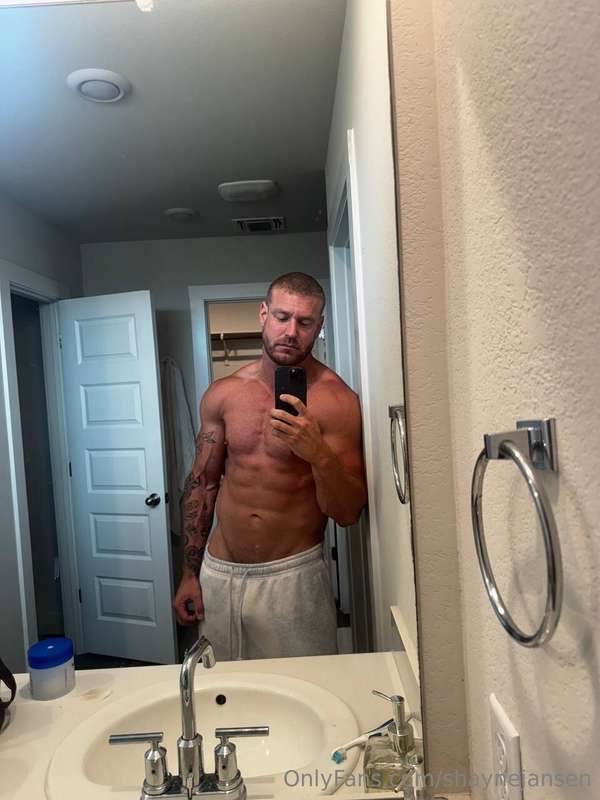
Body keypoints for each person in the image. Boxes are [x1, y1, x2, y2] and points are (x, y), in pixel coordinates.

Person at [172, 272, 366, 660]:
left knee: (305, 687)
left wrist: (317, 453)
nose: (291, 332)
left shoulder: (337, 402)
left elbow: (347, 513)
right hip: (219, 574)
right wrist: (189, 574)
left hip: (292, 578)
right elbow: (202, 485)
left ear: (319, 327)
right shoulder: (224, 394)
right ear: (263, 314)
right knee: (221, 688)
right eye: (282, 317)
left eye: (305, 322)